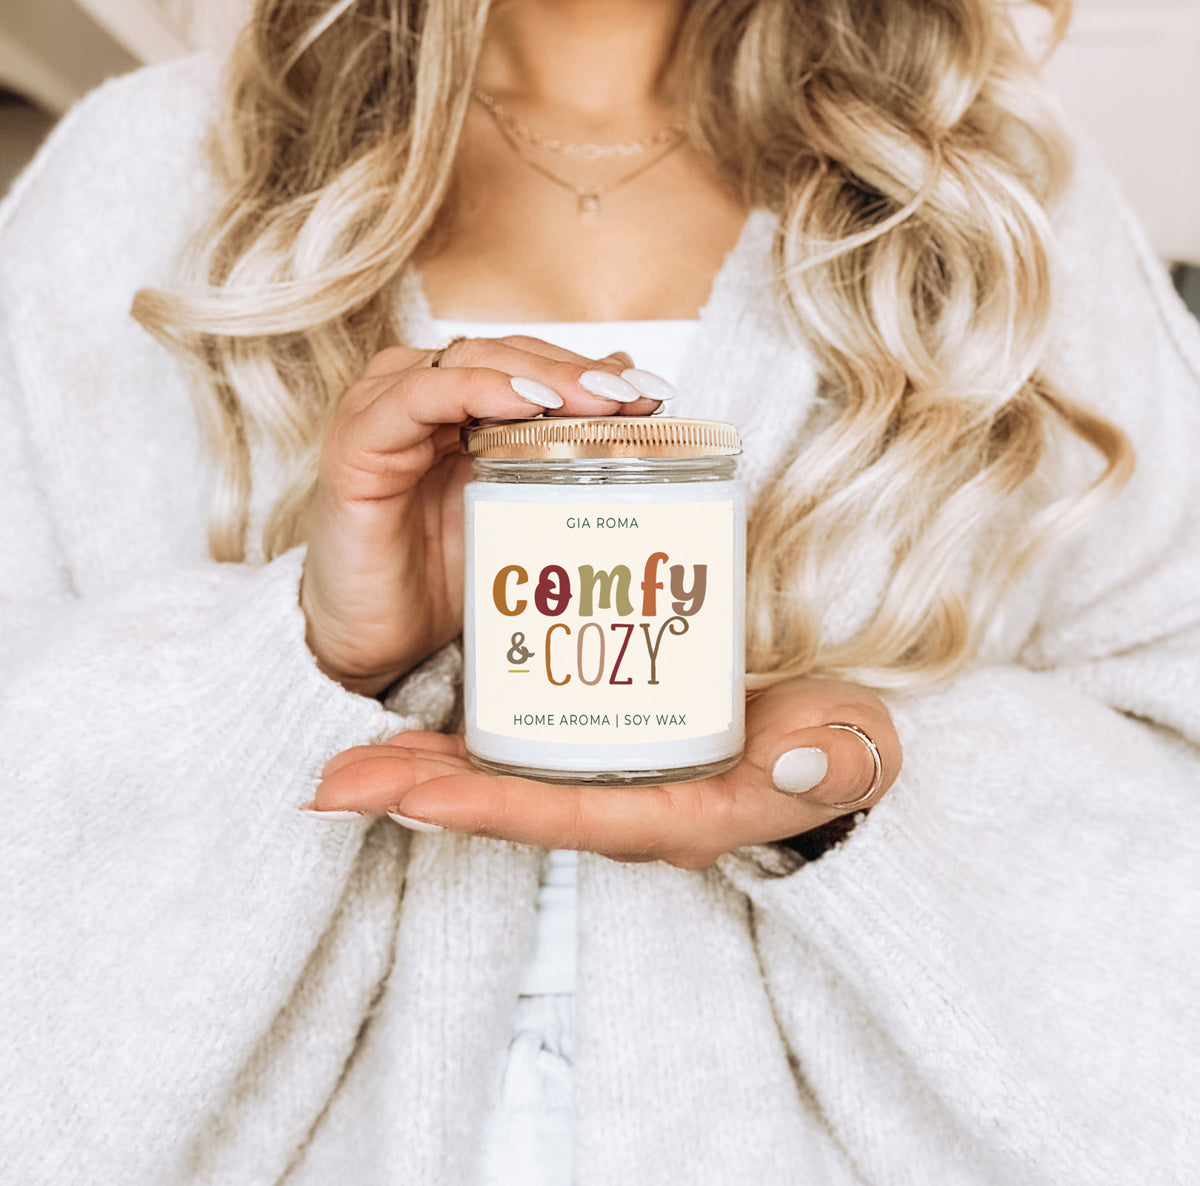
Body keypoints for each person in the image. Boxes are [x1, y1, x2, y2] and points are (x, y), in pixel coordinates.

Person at [1, 0, 1197, 1182]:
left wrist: (872, 787)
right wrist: (300, 655)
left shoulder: (984, 179)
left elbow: (1172, 748)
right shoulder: (149, 172)